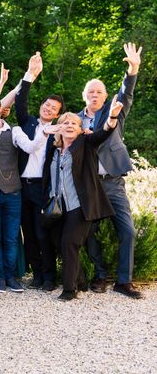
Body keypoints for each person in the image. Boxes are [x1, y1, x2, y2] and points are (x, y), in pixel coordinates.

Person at [78, 42, 143, 299]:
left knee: (127, 231)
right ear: (85, 96)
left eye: (99, 92)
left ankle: (123, 281)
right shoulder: (75, 119)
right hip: (90, 184)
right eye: (90, 92)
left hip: (114, 182)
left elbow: (126, 93)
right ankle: (100, 275)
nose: (95, 95)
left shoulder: (115, 112)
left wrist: (133, 69)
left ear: (106, 97)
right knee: (90, 232)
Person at [42, 97, 123, 301]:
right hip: (58, 206)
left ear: (81, 129)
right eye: (65, 122)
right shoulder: (52, 149)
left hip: (80, 206)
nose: (69, 125)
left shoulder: (86, 144)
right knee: (59, 243)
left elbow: (105, 131)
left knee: (70, 243)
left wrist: (112, 116)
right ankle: (81, 280)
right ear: (58, 128)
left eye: (74, 123)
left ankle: (70, 290)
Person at [0, 94, 49, 293]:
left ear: (1, 108)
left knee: (10, 237)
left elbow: (30, 147)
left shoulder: (14, 130)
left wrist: (44, 133)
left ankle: (11, 277)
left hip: (12, 193)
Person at [15, 52, 64, 290]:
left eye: (53, 108)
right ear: (42, 106)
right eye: (46, 104)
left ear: (57, 114)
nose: (48, 108)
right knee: (28, 235)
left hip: (43, 188)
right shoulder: (28, 122)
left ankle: (49, 277)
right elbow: (20, 100)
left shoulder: (58, 132)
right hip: (22, 187)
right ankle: (36, 276)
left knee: (43, 233)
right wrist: (29, 75)